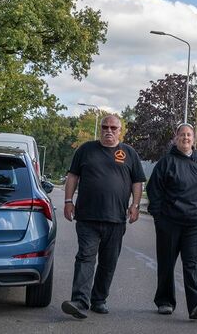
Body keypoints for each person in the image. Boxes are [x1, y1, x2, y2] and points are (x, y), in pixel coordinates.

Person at [61, 114, 146, 319]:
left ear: (120, 131)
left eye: (113, 128)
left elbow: (137, 182)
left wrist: (135, 205)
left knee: (109, 262)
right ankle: (80, 302)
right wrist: (68, 201)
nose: (109, 130)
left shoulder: (129, 153)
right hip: (87, 217)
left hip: (116, 219)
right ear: (101, 129)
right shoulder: (85, 150)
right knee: (85, 258)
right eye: (105, 127)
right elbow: (73, 176)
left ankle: (99, 300)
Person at [146, 123, 197, 321]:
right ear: (176, 138)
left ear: (193, 139)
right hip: (169, 223)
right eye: (182, 135)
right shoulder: (166, 162)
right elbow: (154, 191)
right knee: (167, 262)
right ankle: (165, 301)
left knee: (192, 262)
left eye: (189, 135)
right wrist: (159, 217)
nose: (186, 138)